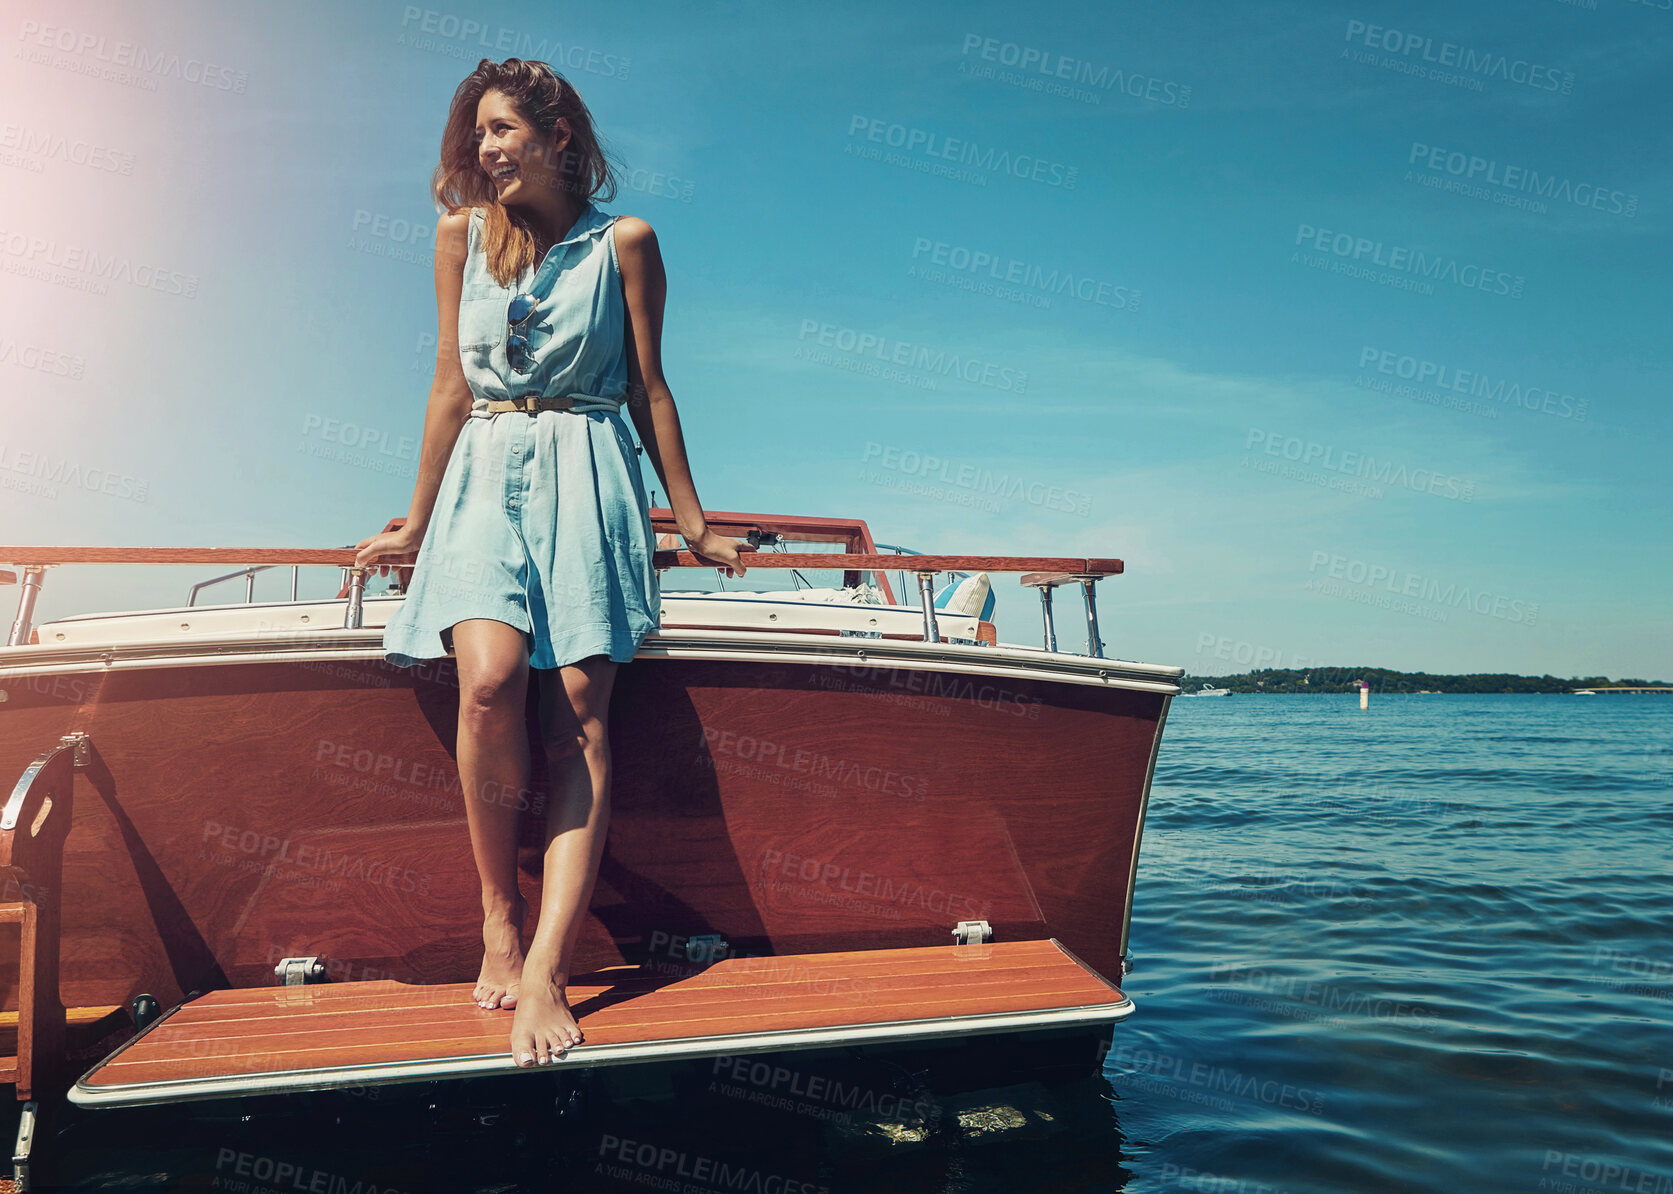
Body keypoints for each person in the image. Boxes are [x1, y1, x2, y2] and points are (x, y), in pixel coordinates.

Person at [353, 57, 745, 1069]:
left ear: (557, 136)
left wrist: (692, 523)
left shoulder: (626, 244)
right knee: (485, 684)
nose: (483, 150)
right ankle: (498, 914)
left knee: (577, 711)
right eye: (475, 133)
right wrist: (411, 520)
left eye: (500, 130)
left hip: (588, 468)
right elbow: (448, 383)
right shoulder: (457, 240)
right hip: (486, 465)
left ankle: (547, 972)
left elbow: (652, 390)